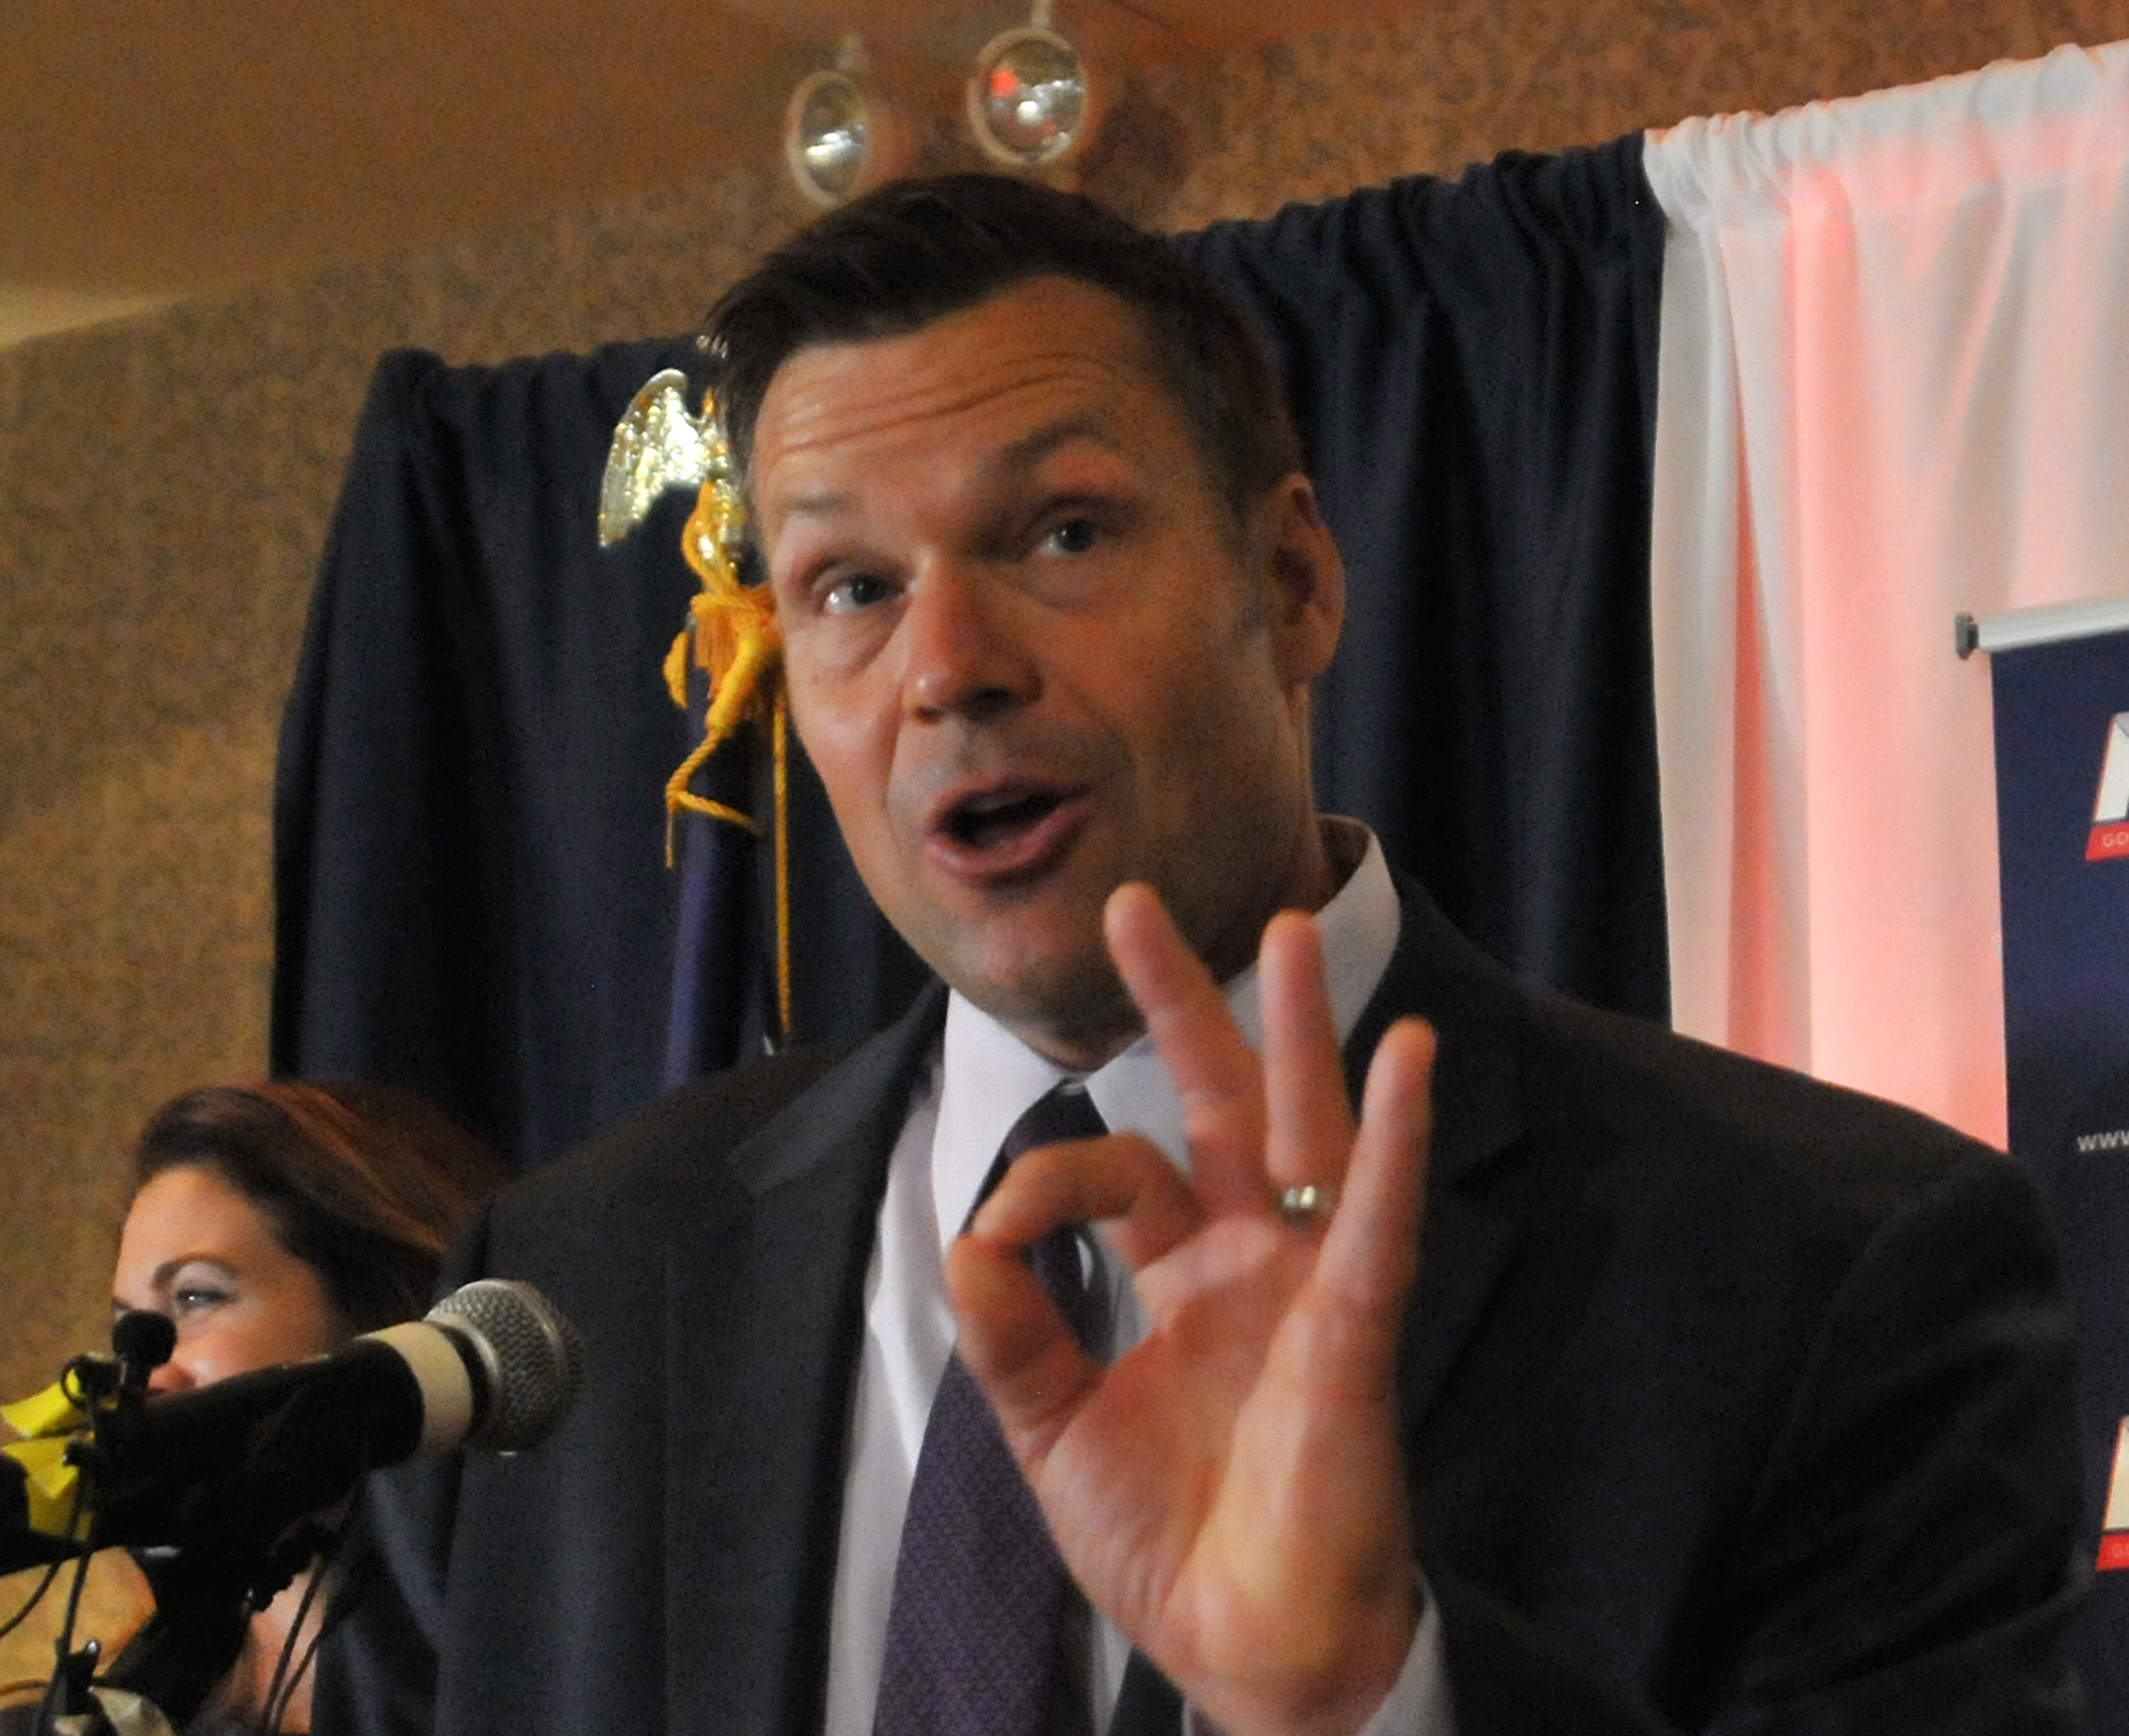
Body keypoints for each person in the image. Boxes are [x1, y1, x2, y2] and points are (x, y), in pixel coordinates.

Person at [317, 174, 2085, 1735]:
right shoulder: (572, 1292)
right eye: (849, 587)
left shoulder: (1818, 1269)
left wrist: (1366, 1698)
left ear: (1295, 580)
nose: (947, 666)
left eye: (1058, 533)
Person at [0, 1081, 507, 1735]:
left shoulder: (532, 1669)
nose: (148, 1378)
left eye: (196, 1298)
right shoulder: (119, 1710)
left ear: (379, 1316)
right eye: (132, 1328)